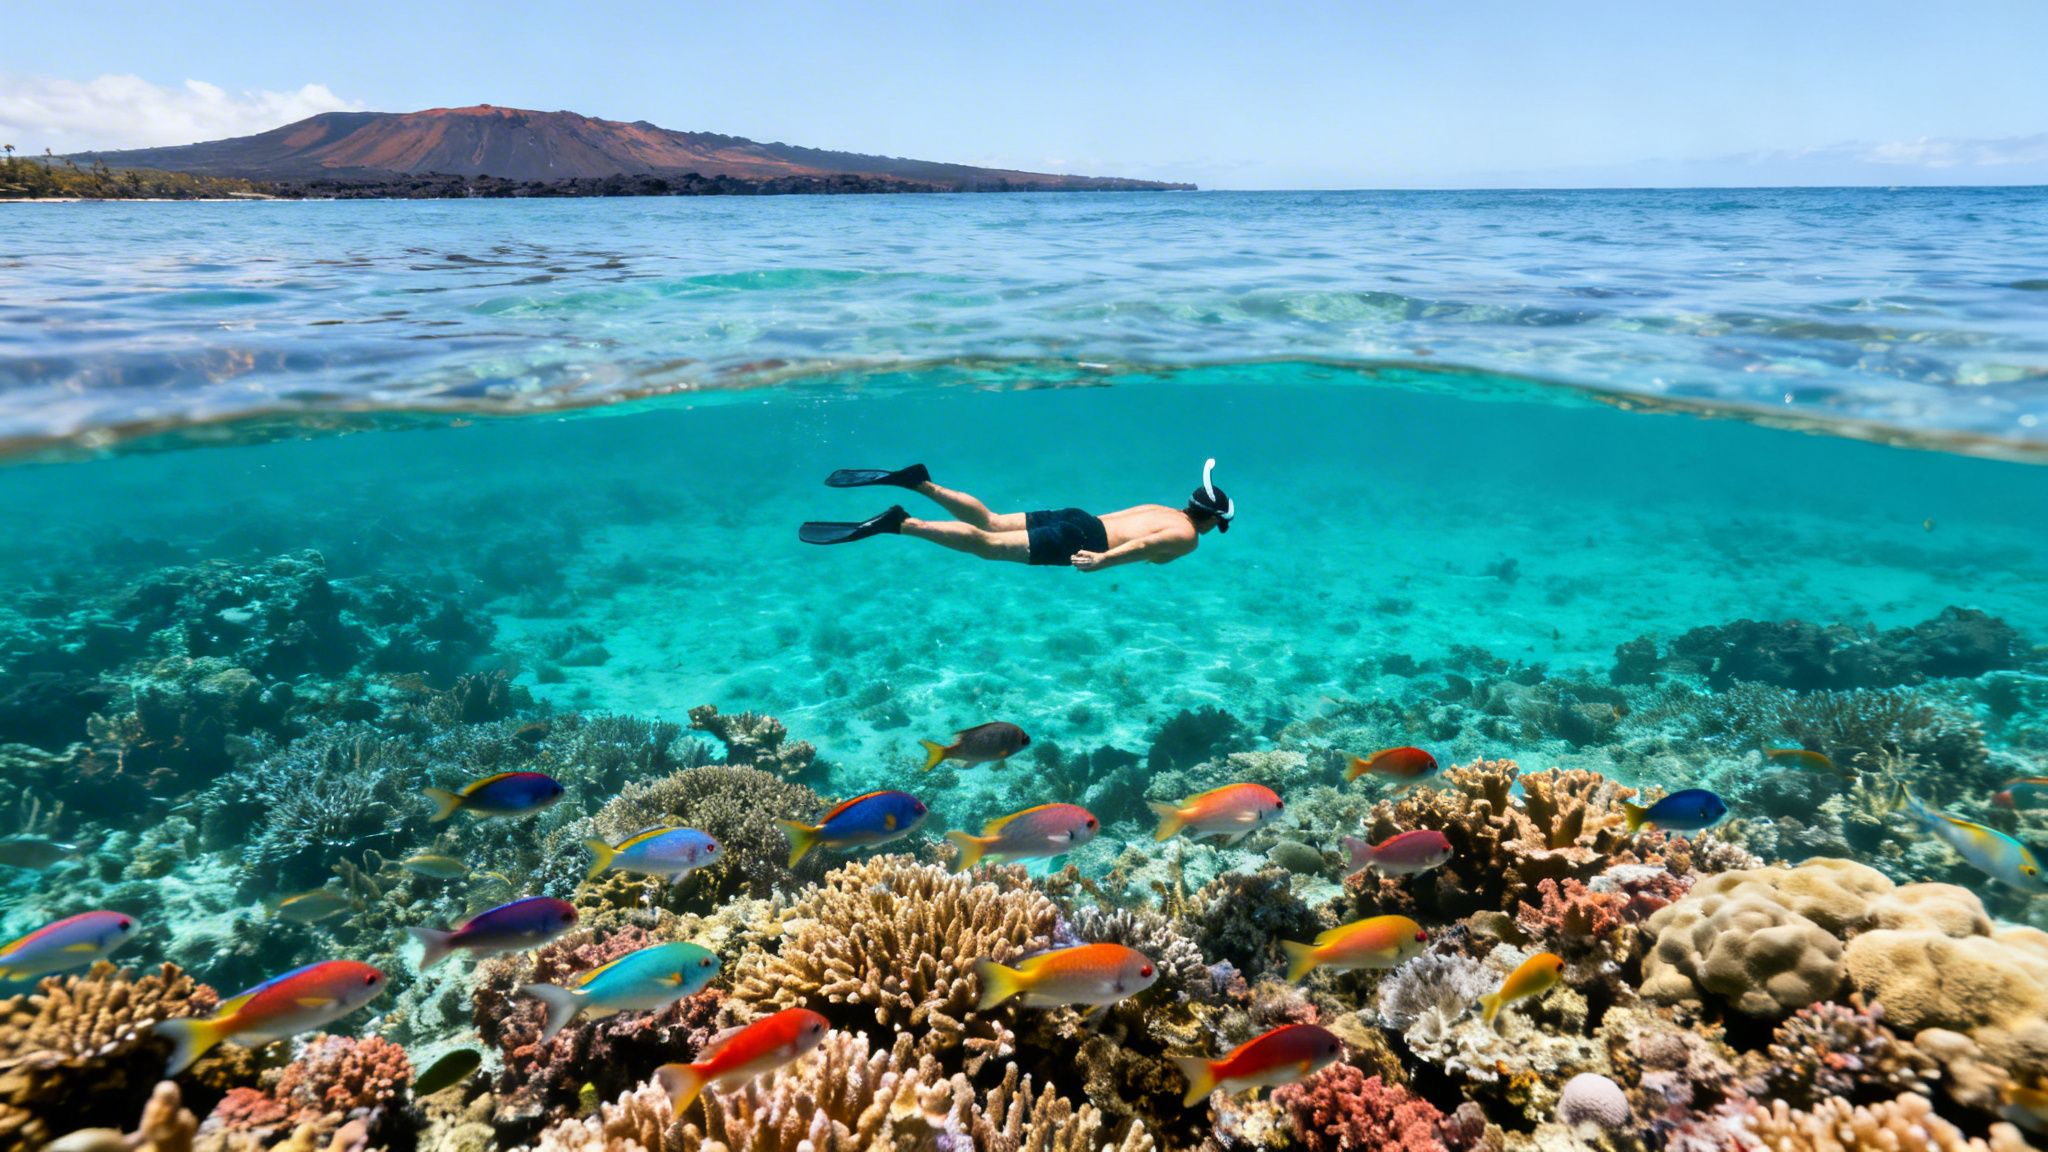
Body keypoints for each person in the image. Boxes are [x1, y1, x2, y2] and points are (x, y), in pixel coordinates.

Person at [800, 458, 1235, 571]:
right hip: (1085, 541)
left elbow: (1128, 523)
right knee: (989, 547)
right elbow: (1144, 546)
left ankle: (920, 482)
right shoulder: (1187, 536)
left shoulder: (1161, 507)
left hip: (1082, 519)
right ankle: (901, 522)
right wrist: (1102, 561)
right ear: (1213, 518)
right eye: (1221, 523)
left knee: (989, 520)